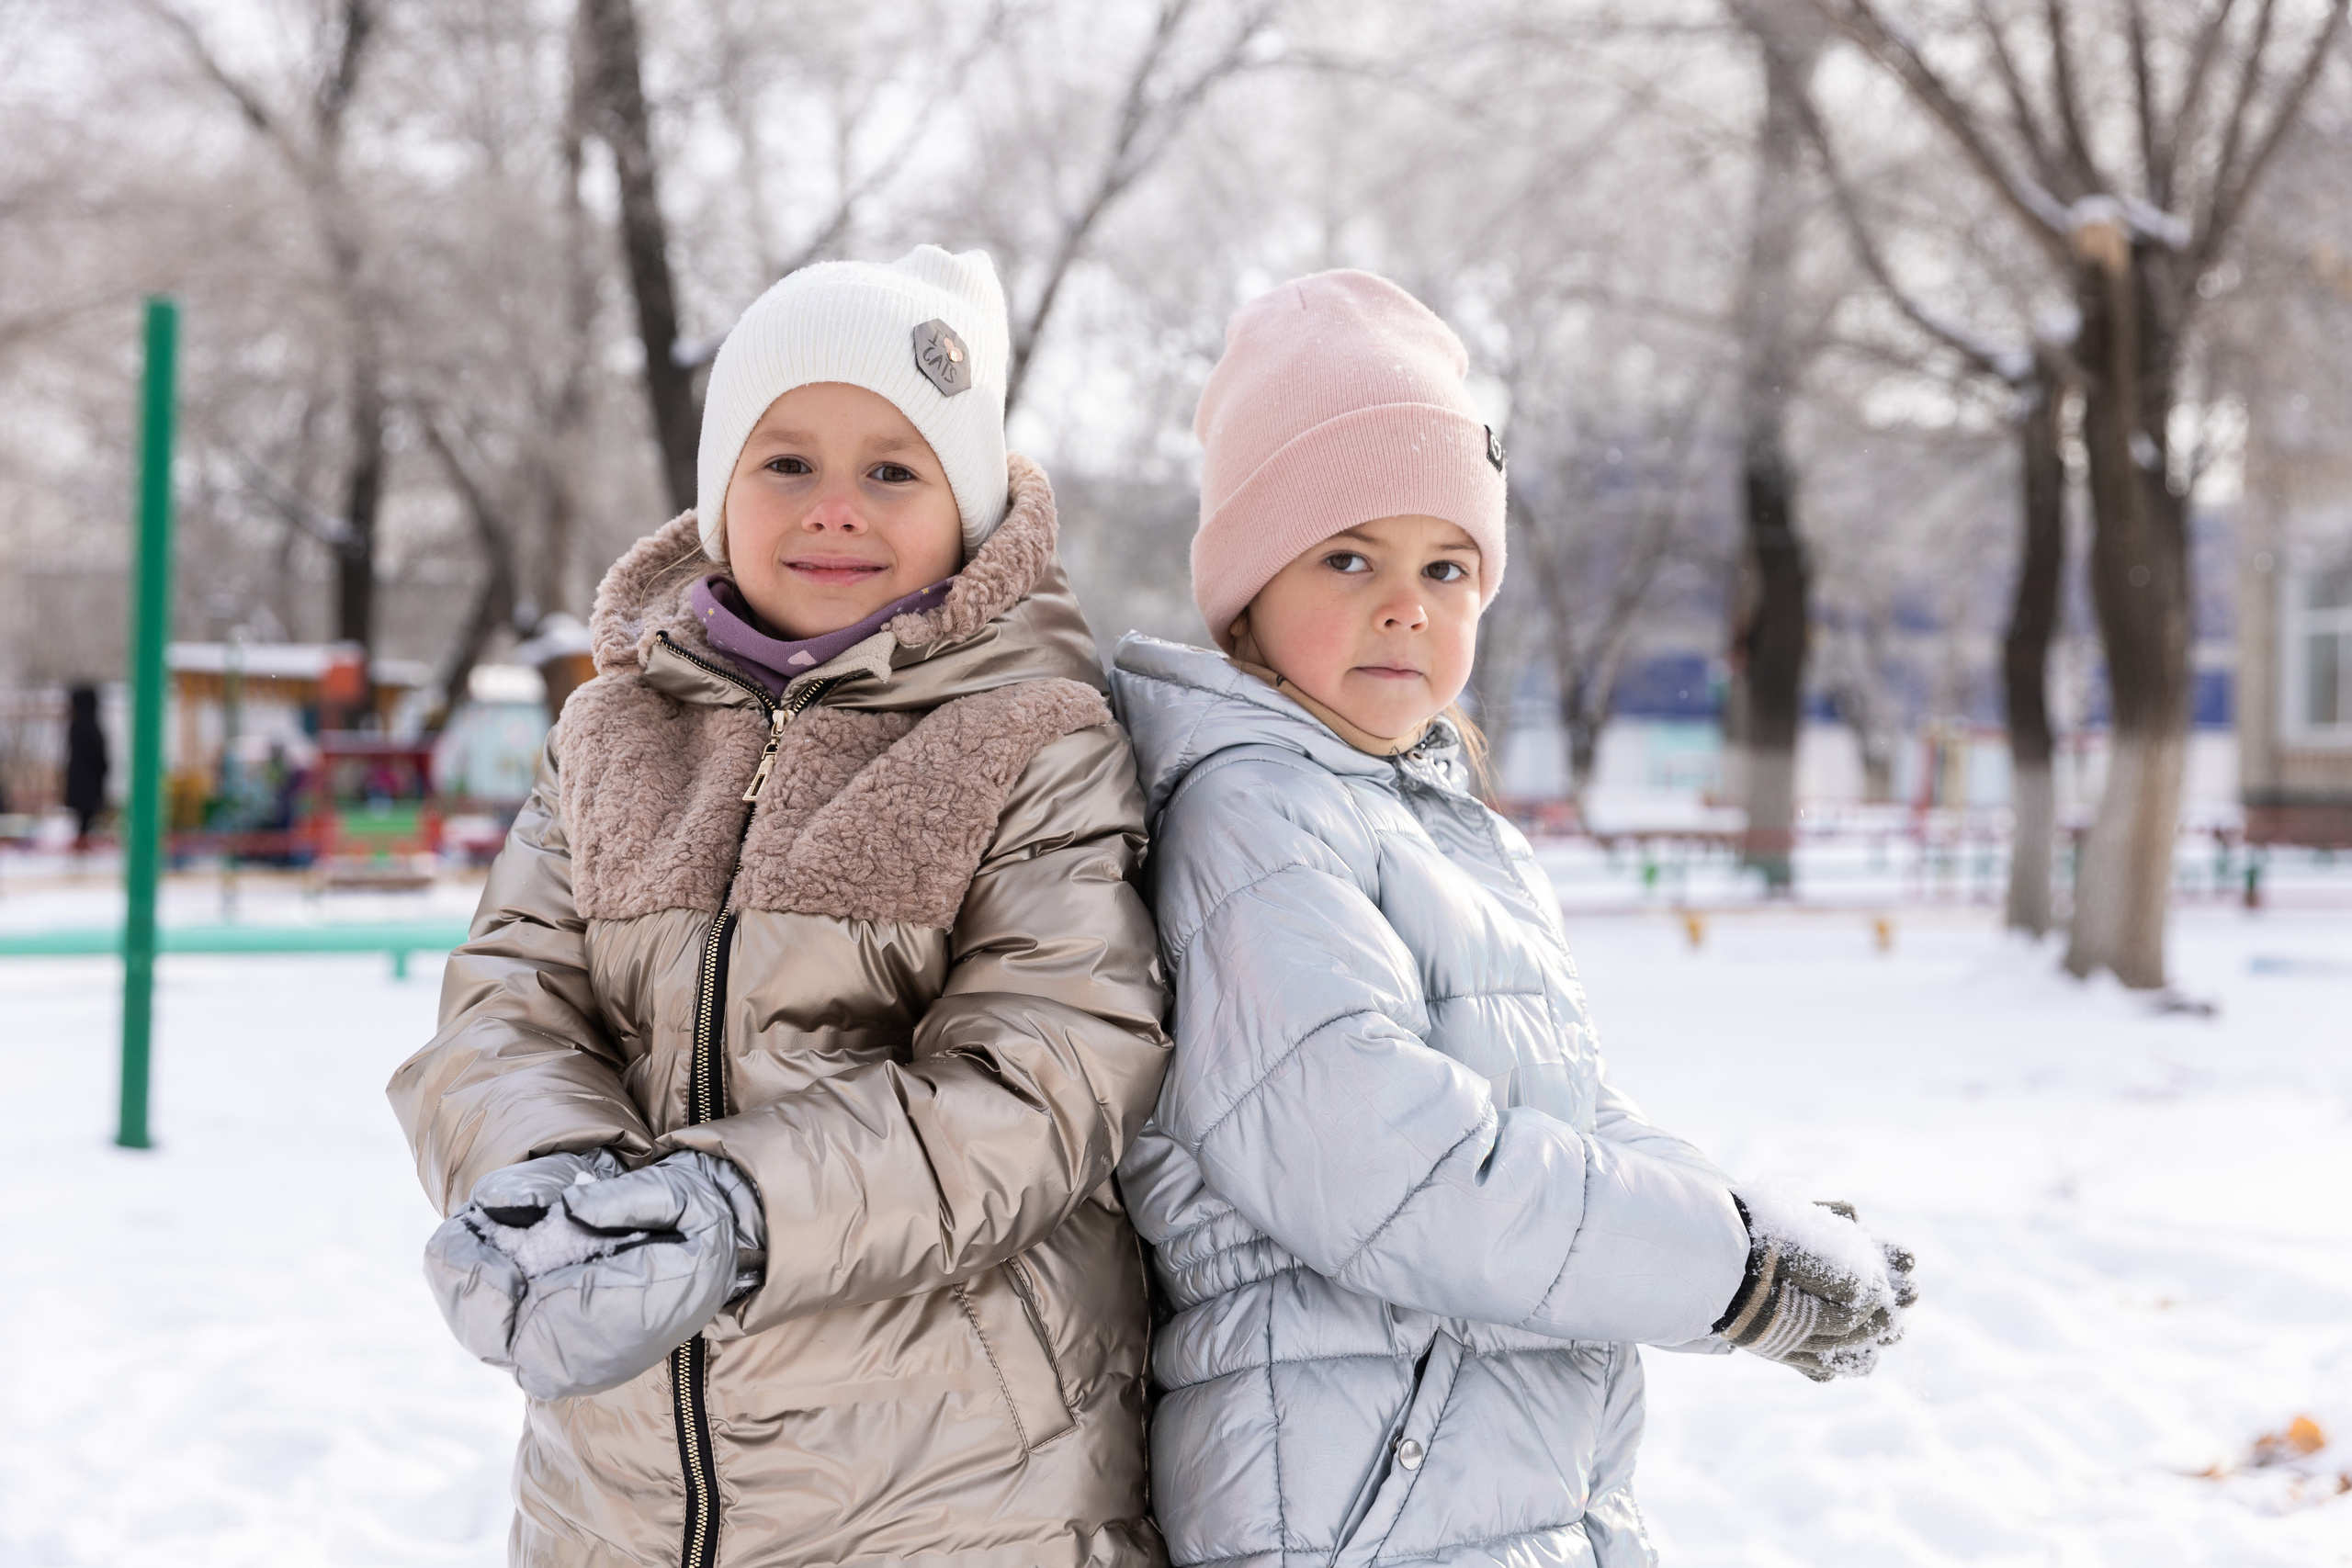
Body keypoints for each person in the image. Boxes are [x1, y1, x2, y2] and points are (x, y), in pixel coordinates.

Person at [1108, 270, 1917, 1568]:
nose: (1404, 603)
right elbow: (1392, 1166)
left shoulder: (1436, 824)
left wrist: (1754, 1222)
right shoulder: (1252, 816)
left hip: (1491, 1482)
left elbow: (1570, 1120)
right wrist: (1730, 1272)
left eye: (1446, 565)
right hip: (1351, 1492)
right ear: (1248, 588)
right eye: (1348, 555)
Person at [390, 246, 1171, 1568]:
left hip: (958, 1485)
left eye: (892, 469)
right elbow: (508, 1003)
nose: (834, 510)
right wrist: (541, 1171)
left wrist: (736, 1206)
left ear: (968, 502)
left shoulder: (1033, 737)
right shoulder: (610, 735)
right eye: (786, 461)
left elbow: (1047, 1072)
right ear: (717, 493)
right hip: (623, 1487)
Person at [63, 683, 107, 848]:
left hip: (82, 785)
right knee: (85, 822)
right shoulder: (87, 726)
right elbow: (97, 757)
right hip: (88, 786)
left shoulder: (77, 725)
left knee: (84, 823)